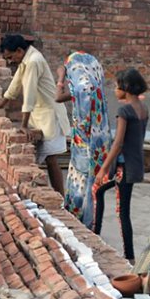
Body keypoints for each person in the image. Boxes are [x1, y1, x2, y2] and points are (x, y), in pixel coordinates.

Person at [0, 35, 71, 194]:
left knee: (51, 159)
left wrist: (24, 125)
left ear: (19, 50)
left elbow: (30, 94)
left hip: (50, 115)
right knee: (44, 159)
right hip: (40, 115)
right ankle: (53, 197)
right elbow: (15, 84)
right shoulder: (26, 60)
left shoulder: (33, 61)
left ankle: (59, 199)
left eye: (11, 57)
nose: (10, 61)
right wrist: (1, 103)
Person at [94, 68, 149, 263]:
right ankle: (95, 235)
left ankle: (129, 257)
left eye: (117, 86)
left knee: (122, 212)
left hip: (124, 168)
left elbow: (118, 144)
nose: (115, 90)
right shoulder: (142, 108)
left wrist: (102, 169)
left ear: (125, 88)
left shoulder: (124, 110)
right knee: (100, 193)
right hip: (134, 166)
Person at [55, 52, 111, 229]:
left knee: (81, 184)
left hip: (84, 146)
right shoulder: (94, 87)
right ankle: (89, 222)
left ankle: (81, 223)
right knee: (90, 185)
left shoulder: (82, 90)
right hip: (96, 147)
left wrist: (60, 78)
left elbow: (58, 97)